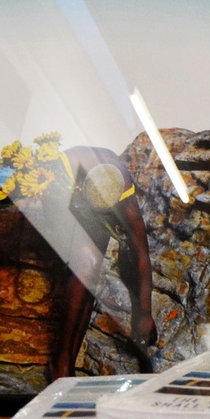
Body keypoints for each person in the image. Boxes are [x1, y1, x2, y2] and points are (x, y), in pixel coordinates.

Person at [45, 146, 157, 379]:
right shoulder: (61, 175)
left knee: (93, 273)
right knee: (87, 265)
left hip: (95, 201)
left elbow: (141, 252)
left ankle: (69, 359)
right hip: (64, 195)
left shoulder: (121, 189)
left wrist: (144, 313)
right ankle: (60, 362)